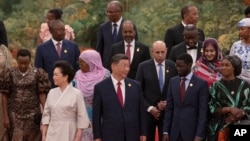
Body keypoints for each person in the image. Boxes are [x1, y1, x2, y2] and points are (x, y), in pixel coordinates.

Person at [92, 54, 147, 141]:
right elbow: (96, 115)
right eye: (124, 66)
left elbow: (141, 111)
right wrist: (97, 136)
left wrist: (143, 132)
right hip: (110, 134)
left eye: (128, 66)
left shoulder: (135, 86)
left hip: (132, 134)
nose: (127, 69)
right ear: (113, 66)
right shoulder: (100, 88)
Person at [0, 49, 51, 141]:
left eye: (26, 63)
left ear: (30, 60)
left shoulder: (38, 73)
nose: (23, 66)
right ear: (16, 60)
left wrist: (46, 112)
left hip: (33, 114)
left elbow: (42, 94)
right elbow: (4, 96)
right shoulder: (9, 73)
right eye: (20, 63)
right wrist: (5, 116)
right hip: (14, 114)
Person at [135, 41, 177, 141]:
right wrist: (149, 108)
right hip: (148, 113)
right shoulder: (143, 67)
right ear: (152, 52)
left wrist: (168, 103)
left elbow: (176, 89)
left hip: (167, 113)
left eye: (163, 52)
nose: (160, 55)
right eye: (157, 52)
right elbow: (137, 90)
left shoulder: (173, 66)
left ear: (167, 51)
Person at [163, 53, 209, 141]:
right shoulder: (173, 82)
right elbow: (169, 108)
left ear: (189, 65)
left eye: (181, 66)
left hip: (192, 133)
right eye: (177, 66)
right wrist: (165, 131)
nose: (178, 69)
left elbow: (203, 112)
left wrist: (199, 135)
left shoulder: (201, 84)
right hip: (174, 132)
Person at [42, 60, 90, 141]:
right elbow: (46, 114)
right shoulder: (51, 92)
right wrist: (44, 135)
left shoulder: (76, 93)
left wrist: (78, 137)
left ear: (65, 77)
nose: (53, 77)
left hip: (69, 130)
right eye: (53, 74)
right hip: (52, 130)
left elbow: (82, 117)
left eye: (56, 75)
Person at [207, 55, 250, 141]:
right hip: (220, 126)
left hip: (241, 126)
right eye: (222, 65)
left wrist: (236, 116)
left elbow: (248, 105)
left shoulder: (244, 85)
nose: (223, 67)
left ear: (234, 67)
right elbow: (211, 108)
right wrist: (228, 109)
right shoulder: (215, 86)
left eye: (227, 65)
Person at [74, 49, 110, 141]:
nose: (80, 64)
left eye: (83, 62)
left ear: (92, 62)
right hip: (81, 117)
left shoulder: (105, 75)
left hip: (100, 117)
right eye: (79, 62)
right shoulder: (77, 75)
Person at [35, 20, 80, 88]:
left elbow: (78, 67)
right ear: (51, 31)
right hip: (50, 87)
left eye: (63, 30)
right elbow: (39, 70)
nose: (63, 33)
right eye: (59, 30)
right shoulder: (42, 48)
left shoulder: (73, 46)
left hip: (69, 86)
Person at [96, 0, 138, 69]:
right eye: (107, 11)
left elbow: (134, 45)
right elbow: (99, 49)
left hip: (124, 65)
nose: (108, 14)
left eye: (111, 12)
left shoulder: (129, 26)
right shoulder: (103, 27)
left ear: (119, 12)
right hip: (107, 67)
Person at [229, 18, 250, 84]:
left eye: (242, 29)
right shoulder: (236, 45)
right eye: (239, 29)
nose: (240, 32)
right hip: (237, 83)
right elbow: (230, 63)